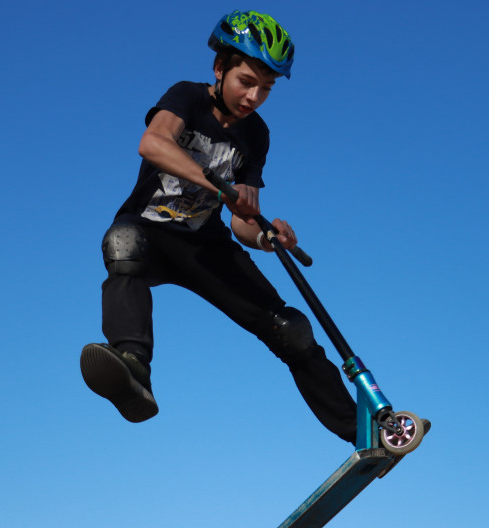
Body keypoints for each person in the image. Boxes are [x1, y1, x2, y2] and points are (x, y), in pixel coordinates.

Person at [80, 10, 357, 444]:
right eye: (246, 81)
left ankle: (362, 430)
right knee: (124, 242)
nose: (253, 97)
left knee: (291, 329)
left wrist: (268, 237)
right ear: (219, 68)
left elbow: (243, 220)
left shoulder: (257, 135)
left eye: (265, 89)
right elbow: (153, 143)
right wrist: (219, 184)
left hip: (206, 246)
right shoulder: (188, 97)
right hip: (152, 230)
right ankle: (131, 368)